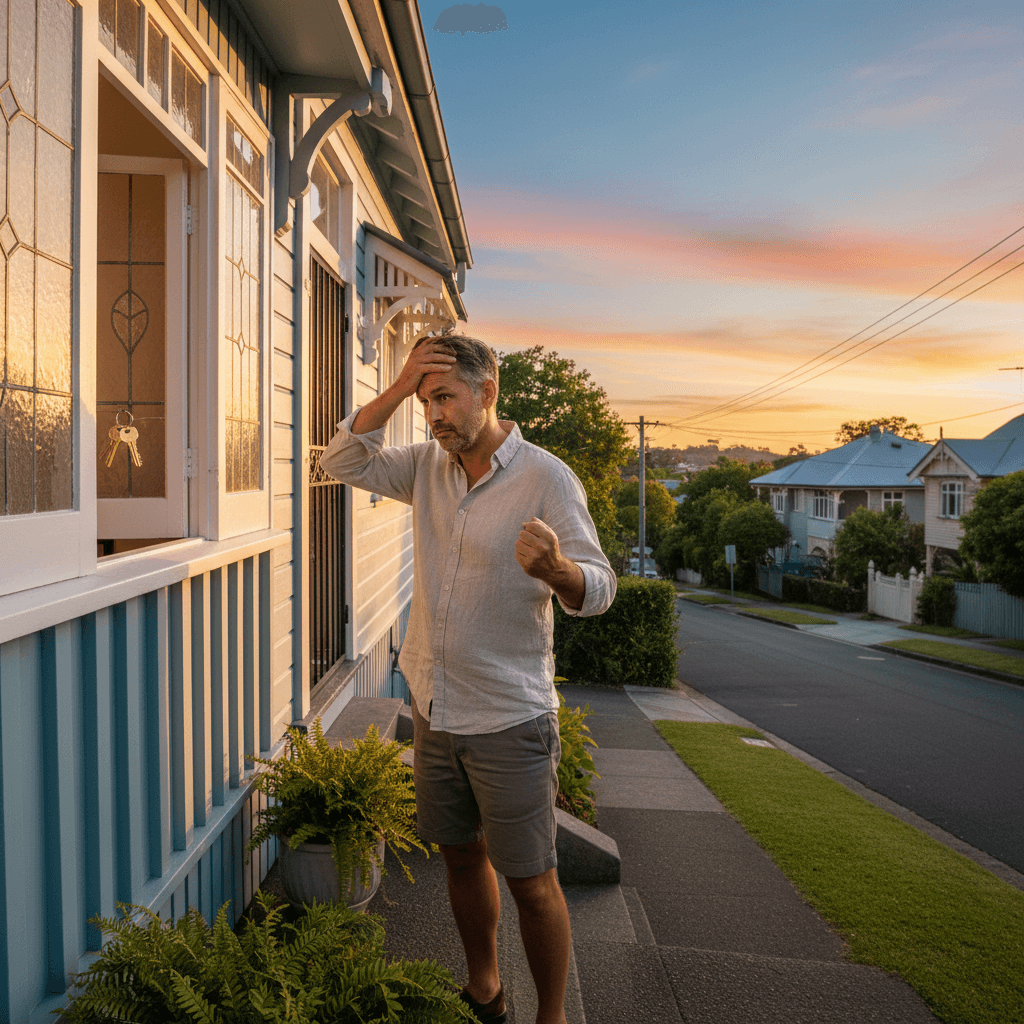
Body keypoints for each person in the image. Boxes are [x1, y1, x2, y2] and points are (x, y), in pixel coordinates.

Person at [319, 333, 615, 1024]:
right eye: (426, 403)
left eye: (445, 398)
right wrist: (397, 387)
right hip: (434, 704)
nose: (433, 416)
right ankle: (486, 989)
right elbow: (341, 460)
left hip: (510, 717)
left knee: (532, 882)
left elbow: (601, 587)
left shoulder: (548, 477)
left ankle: (553, 1017)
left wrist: (558, 572)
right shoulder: (426, 465)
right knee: (459, 858)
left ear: (488, 392)